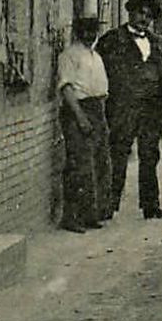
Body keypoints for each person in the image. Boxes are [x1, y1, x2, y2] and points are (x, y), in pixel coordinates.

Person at [98, 0, 162, 220]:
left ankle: (150, 206)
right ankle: (108, 205)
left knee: (149, 155)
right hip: (123, 107)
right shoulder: (112, 40)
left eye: (149, 15)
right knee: (118, 154)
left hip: (152, 110)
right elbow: (101, 72)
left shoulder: (156, 42)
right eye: (140, 13)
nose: (144, 18)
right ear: (130, 13)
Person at [58, 16, 111, 232]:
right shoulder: (69, 55)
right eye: (87, 31)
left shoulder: (95, 56)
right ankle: (71, 217)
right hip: (78, 109)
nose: (91, 35)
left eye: (94, 31)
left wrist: (101, 116)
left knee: (98, 164)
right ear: (79, 32)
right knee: (79, 165)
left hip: (97, 109)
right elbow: (66, 88)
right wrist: (80, 117)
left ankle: (90, 213)